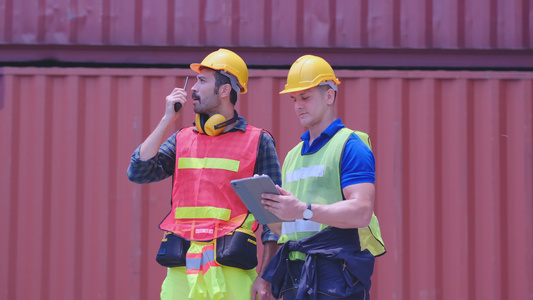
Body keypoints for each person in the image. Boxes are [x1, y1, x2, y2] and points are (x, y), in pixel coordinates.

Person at [127, 48, 281, 300]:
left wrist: (265, 278)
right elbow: (138, 171)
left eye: (202, 80)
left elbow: (274, 219)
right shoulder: (182, 139)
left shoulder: (259, 141)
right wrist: (167, 120)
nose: (193, 89)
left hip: (232, 272)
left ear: (224, 90)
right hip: (181, 273)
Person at [259, 55, 386, 300]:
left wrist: (301, 209)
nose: (298, 105)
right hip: (295, 273)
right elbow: (284, 228)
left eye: (305, 97)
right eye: (294, 99)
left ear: (329, 96)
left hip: (334, 273)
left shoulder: (351, 145)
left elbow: (361, 211)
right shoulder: (292, 155)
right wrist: (266, 209)